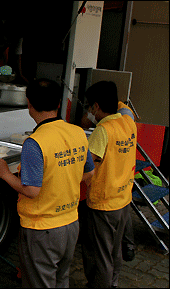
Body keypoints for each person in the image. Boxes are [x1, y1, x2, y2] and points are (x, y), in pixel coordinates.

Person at [0, 79, 95, 288]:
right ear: (59, 104)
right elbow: (90, 172)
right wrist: (63, 181)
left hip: (42, 230)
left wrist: (3, 173)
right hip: (71, 224)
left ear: (29, 104)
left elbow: (31, 190)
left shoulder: (35, 142)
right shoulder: (77, 133)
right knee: (60, 280)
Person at [80, 81, 138, 288]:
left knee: (99, 253)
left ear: (95, 106)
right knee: (114, 250)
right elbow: (122, 106)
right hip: (123, 199)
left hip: (103, 203)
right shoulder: (128, 121)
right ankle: (112, 283)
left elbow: (89, 167)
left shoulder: (103, 130)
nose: (89, 111)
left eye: (89, 106)